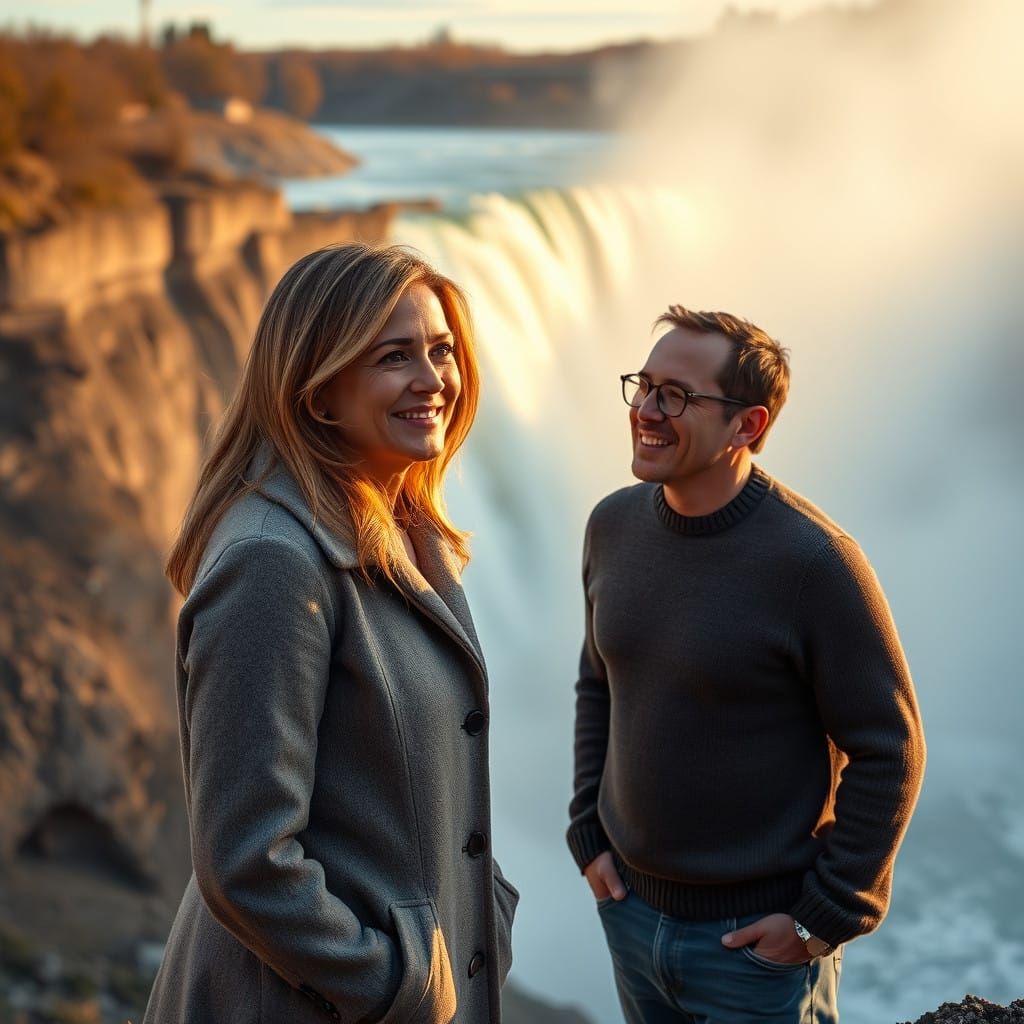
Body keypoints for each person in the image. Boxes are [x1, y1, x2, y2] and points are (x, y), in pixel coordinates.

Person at [145, 243, 518, 1024]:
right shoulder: (274, 566)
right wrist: (396, 983)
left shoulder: (402, 529)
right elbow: (246, 859)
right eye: (395, 357)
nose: (434, 380)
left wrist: (485, 908)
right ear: (318, 395)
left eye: (442, 350)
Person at [567, 306, 925, 1024]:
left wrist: (820, 918)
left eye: (677, 395)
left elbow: (891, 748)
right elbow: (598, 683)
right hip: (630, 915)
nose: (646, 410)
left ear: (747, 425)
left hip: (755, 950)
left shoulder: (816, 563)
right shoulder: (612, 525)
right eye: (644, 385)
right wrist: (588, 833)